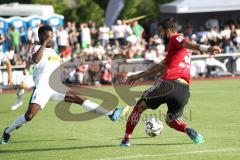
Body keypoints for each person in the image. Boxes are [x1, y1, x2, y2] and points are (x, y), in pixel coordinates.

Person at [0, 24, 129, 144]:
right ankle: (7, 131)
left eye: (52, 35)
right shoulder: (36, 48)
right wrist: (44, 42)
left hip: (56, 86)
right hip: (43, 88)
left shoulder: (53, 51)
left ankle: (111, 114)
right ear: (42, 37)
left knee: (80, 98)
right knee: (28, 116)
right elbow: (35, 59)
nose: (52, 38)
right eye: (49, 36)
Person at [119, 17, 221, 147]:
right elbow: (160, 66)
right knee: (170, 120)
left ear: (168, 30)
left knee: (139, 107)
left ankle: (126, 140)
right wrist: (139, 75)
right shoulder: (175, 51)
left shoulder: (176, 38)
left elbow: (188, 43)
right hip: (183, 90)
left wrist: (207, 48)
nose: (161, 34)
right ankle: (187, 129)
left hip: (169, 84)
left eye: (161, 31)